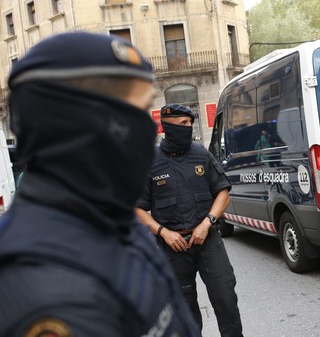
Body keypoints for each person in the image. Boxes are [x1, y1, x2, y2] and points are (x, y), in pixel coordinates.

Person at [0, 32, 199, 336]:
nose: (151, 129)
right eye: (140, 111)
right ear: (87, 123)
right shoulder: (47, 288)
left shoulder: (110, 217)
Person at [135, 104, 243, 337]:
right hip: (173, 248)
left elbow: (223, 194)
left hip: (207, 241)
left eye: (190, 123)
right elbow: (138, 209)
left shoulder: (201, 153)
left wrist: (207, 223)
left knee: (225, 298)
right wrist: (163, 232)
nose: (188, 128)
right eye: (183, 123)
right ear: (167, 125)